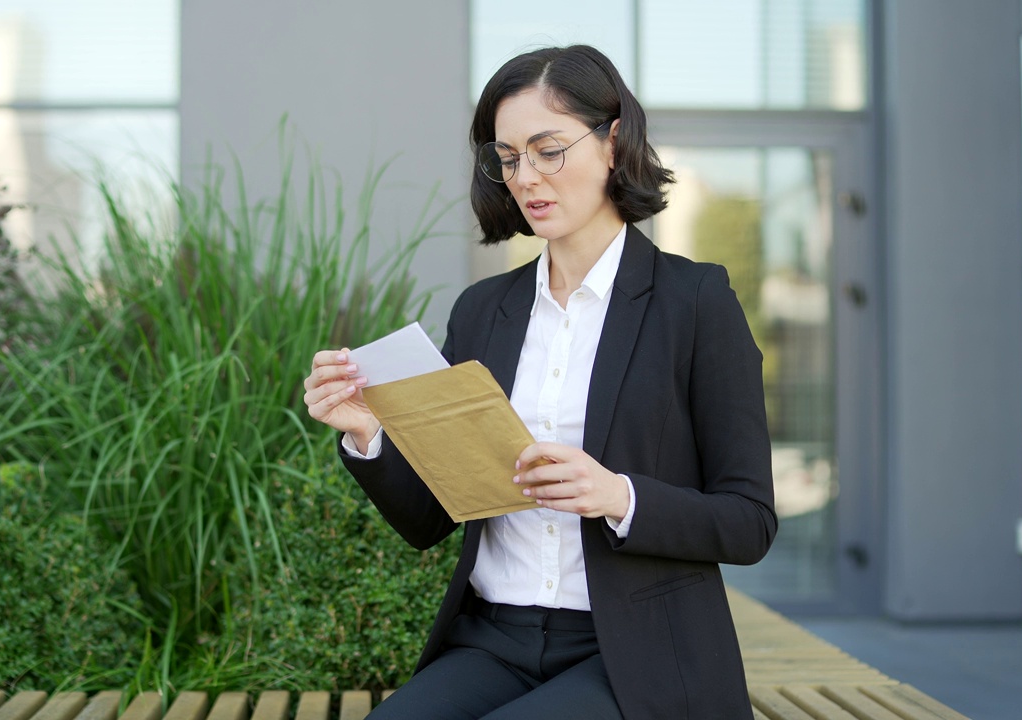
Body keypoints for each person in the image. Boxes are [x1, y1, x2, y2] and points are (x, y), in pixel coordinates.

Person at [302, 44, 776, 719]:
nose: (526, 177)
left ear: (613, 142)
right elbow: (432, 518)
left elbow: (749, 521)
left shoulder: (695, 302)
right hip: (493, 641)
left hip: (634, 651)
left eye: (549, 150)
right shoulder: (483, 311)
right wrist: (369, 432)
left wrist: (617, 495)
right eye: (509, 156)